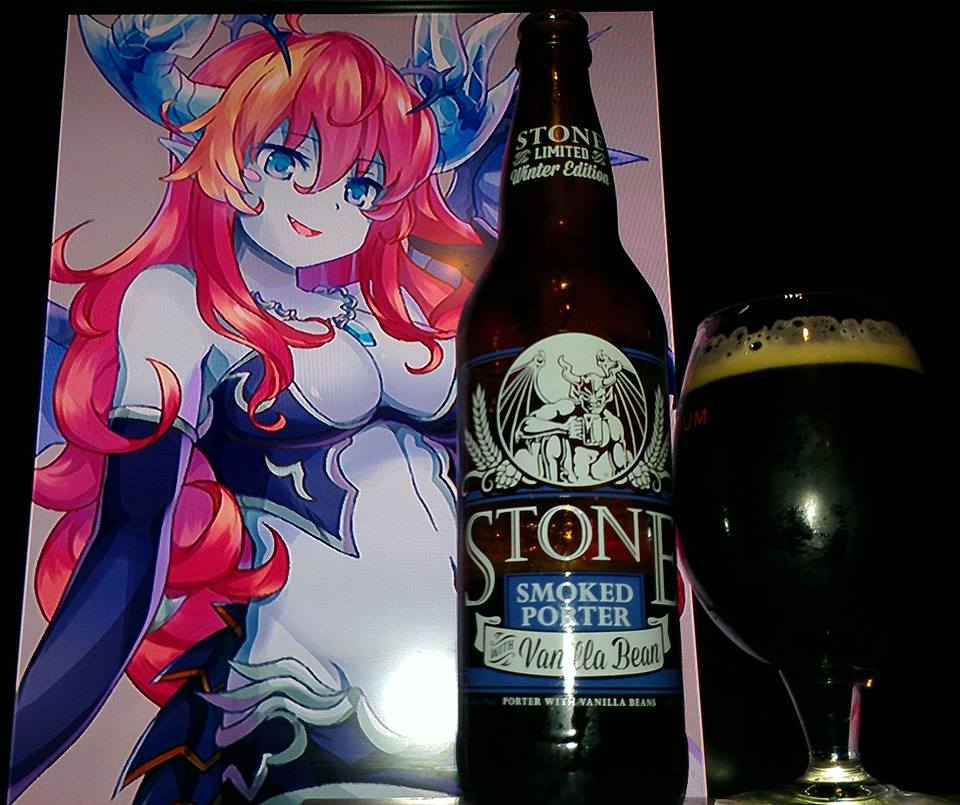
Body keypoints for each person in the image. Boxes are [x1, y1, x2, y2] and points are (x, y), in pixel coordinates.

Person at [11, 13, 515, 803]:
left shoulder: (406, 312)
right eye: (285, 159)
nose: (321, 202)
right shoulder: (179, 306)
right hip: (295, 712)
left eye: (360, 185)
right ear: (229, 155)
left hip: (475, 713)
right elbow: (131, 543)